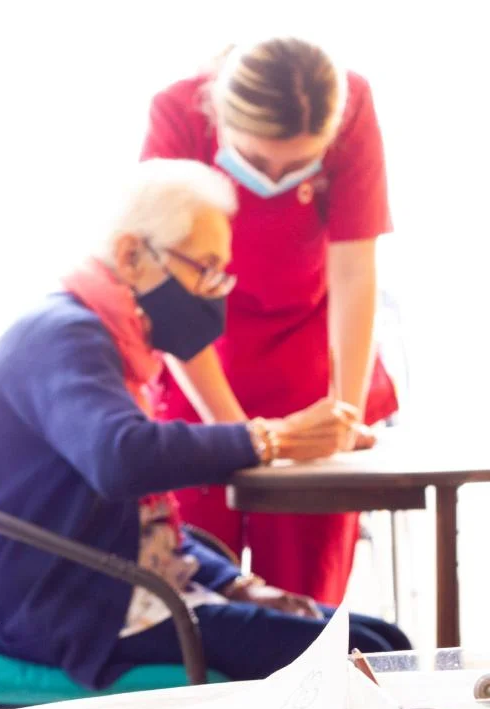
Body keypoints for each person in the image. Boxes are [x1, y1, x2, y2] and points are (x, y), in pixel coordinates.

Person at [0, 159, 410, 691]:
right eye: (204, 268)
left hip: (123, 593)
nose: (215, 292)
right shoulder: (62, 336)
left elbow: (138, 527)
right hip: (68, 614)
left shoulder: (108, 340)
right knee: (373, 653)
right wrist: (270, 437)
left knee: (383, 640)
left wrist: (235, 584)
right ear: (130, 254)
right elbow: (121, 458)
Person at [140, 37, 398, 605]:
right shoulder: (178, 114)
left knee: (308, 598)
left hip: (311, 367)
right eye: (256, 161)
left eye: (300, 164)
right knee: (199, 588)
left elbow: (355, 270)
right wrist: (240, 439)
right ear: (220, 124)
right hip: (200, 363)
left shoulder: (351, 108)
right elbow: (160, 287)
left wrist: (342, 413)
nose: (275, 175)